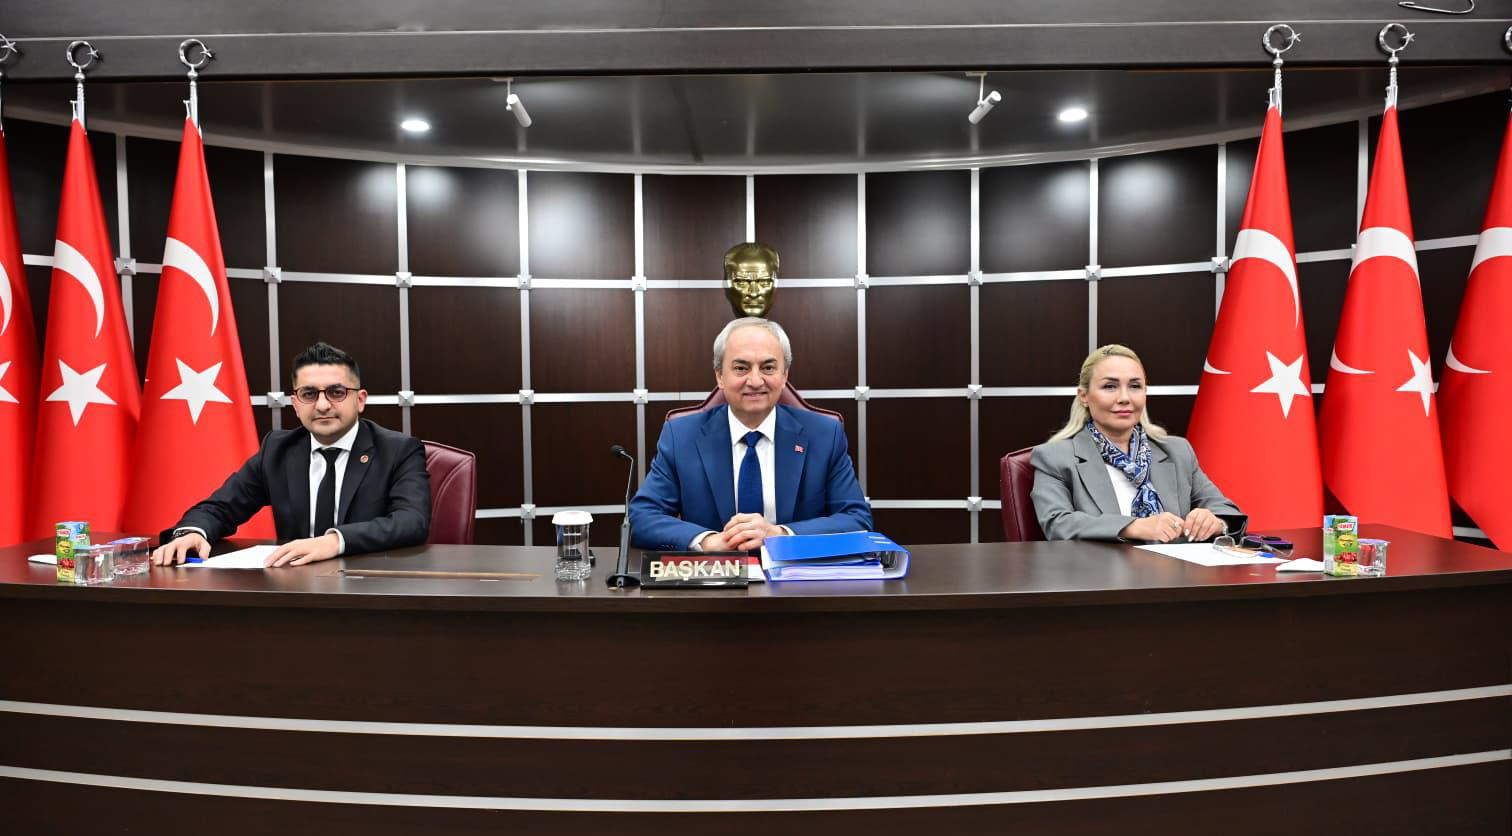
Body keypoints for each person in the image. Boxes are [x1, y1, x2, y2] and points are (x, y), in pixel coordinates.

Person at [151, 342, 431, 567]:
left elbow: (411, 521)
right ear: (295, 404)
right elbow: (221, 507)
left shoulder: (398, 450)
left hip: (370, 588)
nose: (322, 405)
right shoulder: (279, 450)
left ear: (360, 400)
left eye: (336, 392)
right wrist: (192, 532)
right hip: (295, 590)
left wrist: (334, 541)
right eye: (309, 394)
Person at [630, 317, 871, 551]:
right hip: (716, 574)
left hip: (794, 575)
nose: (755, 381)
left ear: (784, 375)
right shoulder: (681, 436)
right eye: (741, 368)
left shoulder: (825, 435)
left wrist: (780, 535)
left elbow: (856, 520)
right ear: (720, 376)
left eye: (768, 368)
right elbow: (643, 518)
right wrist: (707, 542)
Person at [1030, 344, 1239, 542]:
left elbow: (1226, 510)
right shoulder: (1054, 457)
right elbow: (1057, 523)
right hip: (1102, 567)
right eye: (1110, 386)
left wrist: (1216, 522)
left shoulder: (1177, 451)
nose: (1124, 398)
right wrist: (1133, 526)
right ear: (1084, 396)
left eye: (1135, 386)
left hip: (1176, 567)